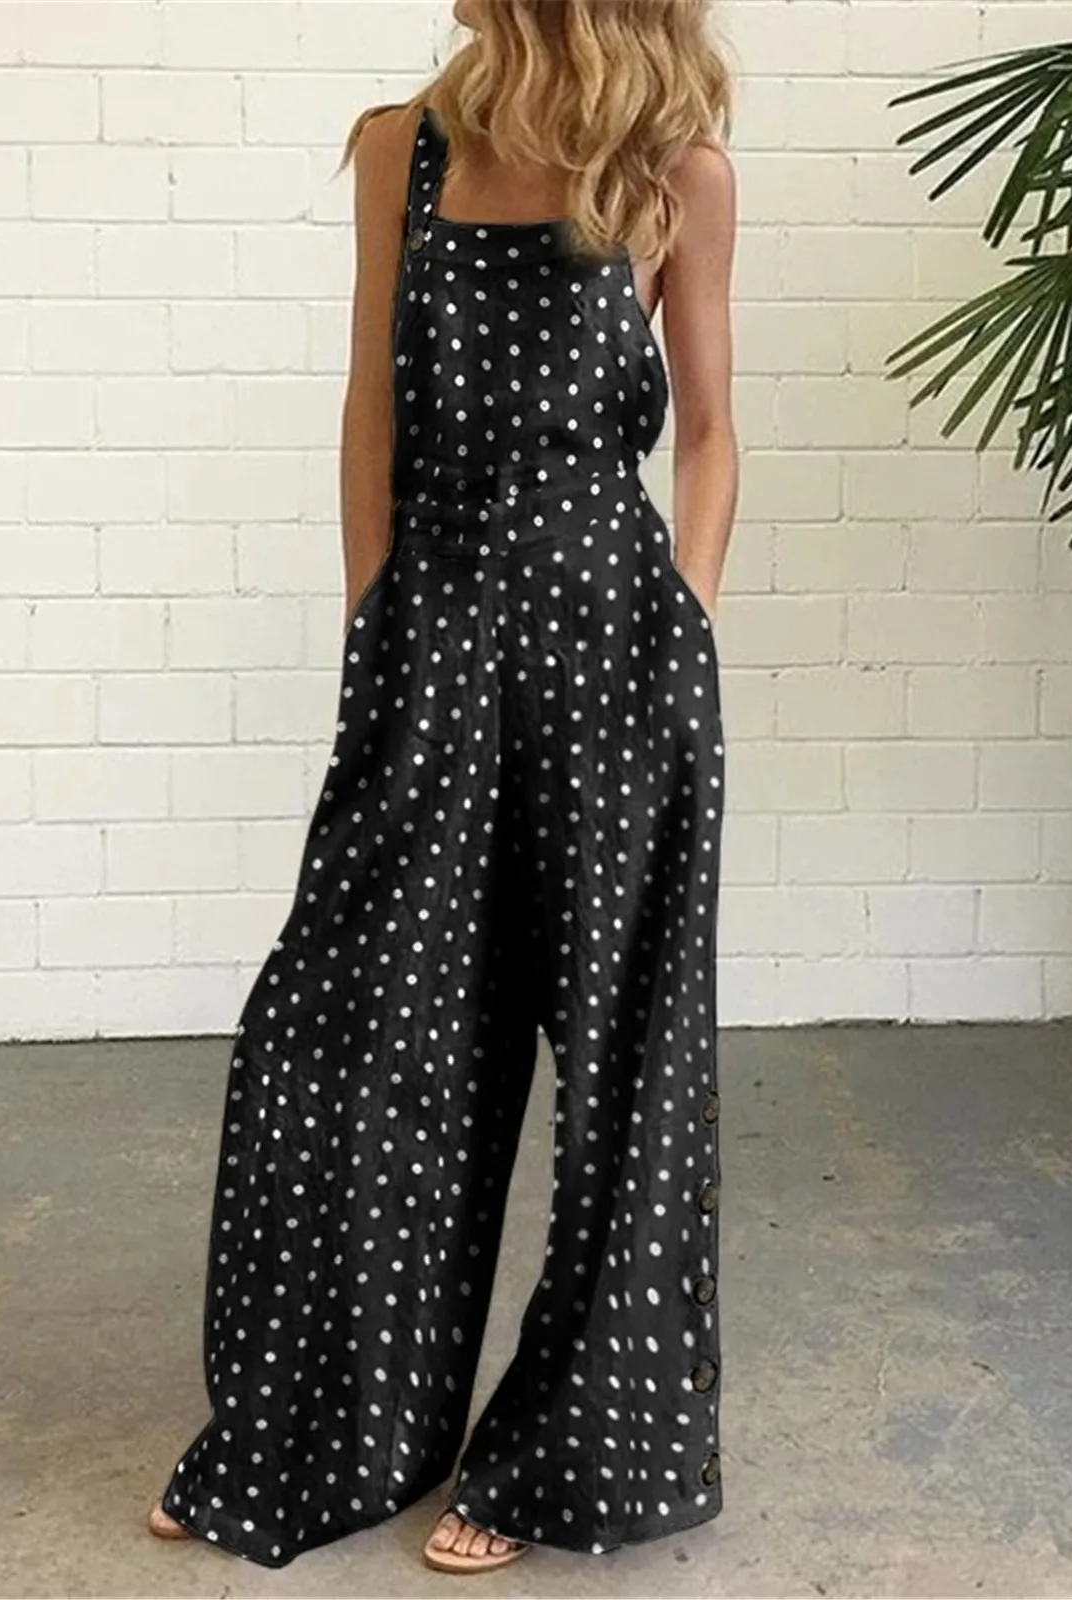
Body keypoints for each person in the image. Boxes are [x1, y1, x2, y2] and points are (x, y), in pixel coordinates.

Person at [148, 0, 737, 1575]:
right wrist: (374, 622)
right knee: (355, 1036)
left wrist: (683, 623)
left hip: (617, 665)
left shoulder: (675, 166)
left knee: (623, 1073)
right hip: (434, 651)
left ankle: (562, 1464)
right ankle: (320, 1430)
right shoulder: (401, 149)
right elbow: (372, 410)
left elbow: (711, 433)